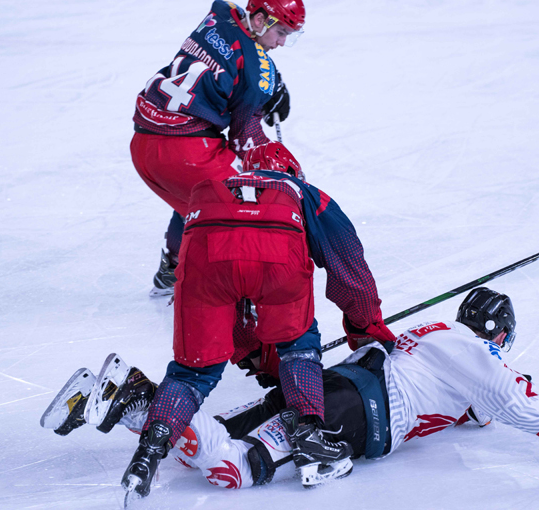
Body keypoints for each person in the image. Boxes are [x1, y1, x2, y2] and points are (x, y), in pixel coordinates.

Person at [41, 287, 539, 492]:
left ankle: (129, 401)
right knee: (232, 468)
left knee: (203, 442)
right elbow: (510, 398)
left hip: (324, 388)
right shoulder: (471, 348)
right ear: (499, 334)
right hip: (356, 413)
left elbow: (478, 407)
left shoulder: (433, 336)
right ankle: (135, 396)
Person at [128, 142, 394, 497]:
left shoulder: (225, 187)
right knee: (298, 346)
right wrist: (367, 330)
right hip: (276, 251)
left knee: (192, 372)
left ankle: (147, 454)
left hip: (203, 249)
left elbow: (231, 309)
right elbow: (350, 272)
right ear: (294, 172)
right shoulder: (305, 193)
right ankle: (311, 439)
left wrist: (255, 356)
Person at [130, 0, 304, 296]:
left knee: (202, 193)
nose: (281, 43)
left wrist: (270, 82)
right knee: (249, 200)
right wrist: (279, 169)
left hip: (143, 144)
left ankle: (172, 269)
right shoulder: (257, 73)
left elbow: (236, 50)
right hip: (185, 152)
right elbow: (244, 140)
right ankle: (241, 292)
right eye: (281, 33)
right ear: (261, 20)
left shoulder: (220, 13)